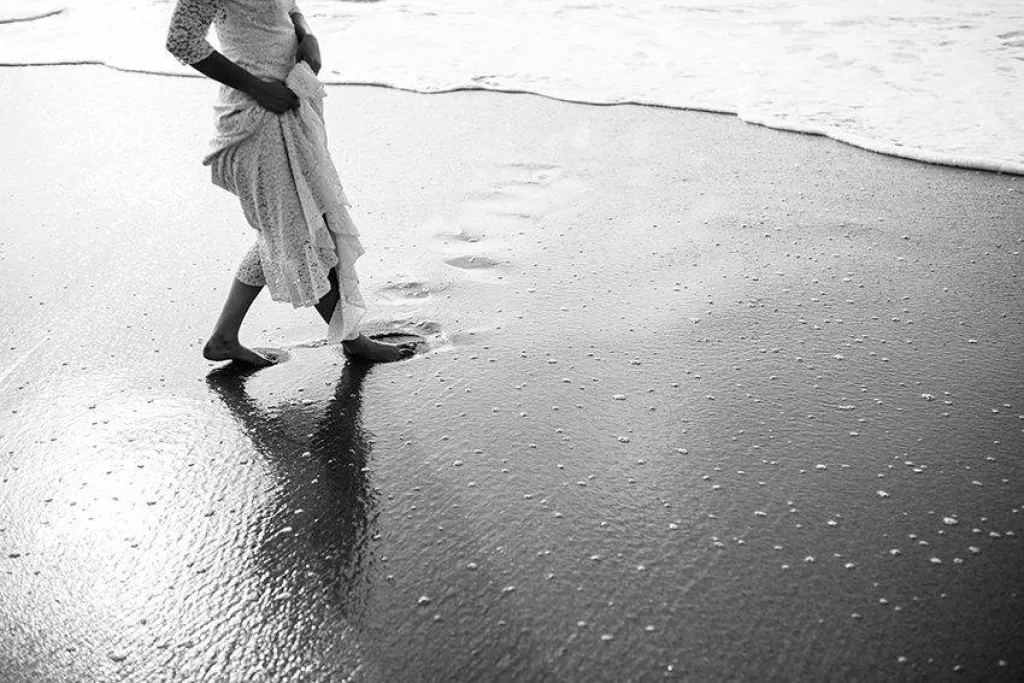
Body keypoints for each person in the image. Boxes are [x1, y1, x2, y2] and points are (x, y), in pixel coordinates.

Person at [166, 0, 416, 366]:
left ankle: (224, 337)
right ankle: (353, 341)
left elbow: (287, 6)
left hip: (291, 110)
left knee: (285, 228)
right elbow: (181, 39)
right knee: (300, 234)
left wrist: (306, 32)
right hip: (257, 122)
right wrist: (257, 88)